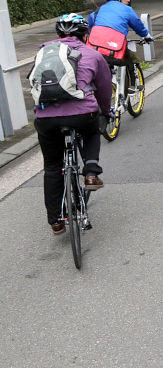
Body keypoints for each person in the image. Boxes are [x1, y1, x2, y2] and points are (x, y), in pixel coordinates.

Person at [35, 14, 112, 235]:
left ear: (58, 35)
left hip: (46, 118)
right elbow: (105, 89)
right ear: (84, 35)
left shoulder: (43, 53)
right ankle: (90, 172)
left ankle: (56, 221)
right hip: (82, 114)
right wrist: (104, 113)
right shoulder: (93, 55)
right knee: (91, 131)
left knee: (52, 167)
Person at [88, 0, 152, 91]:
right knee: (130, 58)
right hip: (114, 46)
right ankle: (133, 86)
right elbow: (138, 25)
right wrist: (147, 36)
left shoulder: (98, 11)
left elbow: (90, 26)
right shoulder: (127, 10)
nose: (129, 0)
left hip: (95, 49)